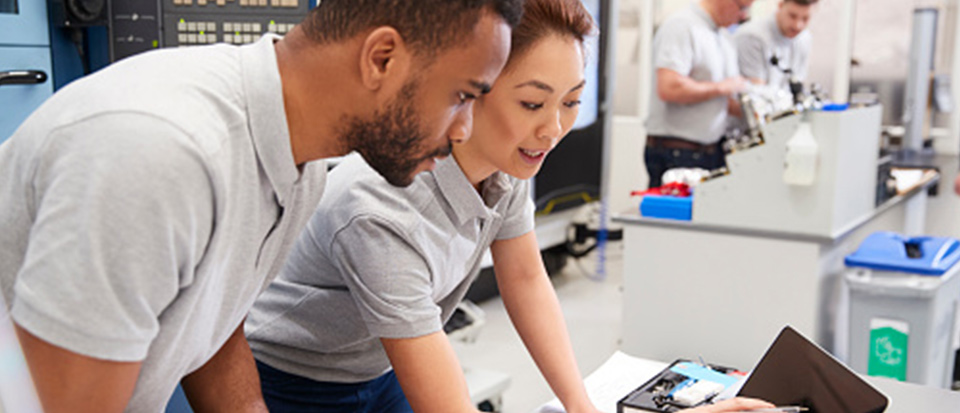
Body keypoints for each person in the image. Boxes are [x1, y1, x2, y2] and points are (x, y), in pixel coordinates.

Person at [244, 1, 775, 412]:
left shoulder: (506, 164)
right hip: (293, 380)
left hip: (376, 368)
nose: (553, 128)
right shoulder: (379, 206)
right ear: (474, 87)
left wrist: (579, 403)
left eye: (570, 102)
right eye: (532, 103)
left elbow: (524, 280)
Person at [0, 0, 521, 411]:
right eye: (461, 96)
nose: (464, 130)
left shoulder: (301, 157)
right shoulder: (164, 156)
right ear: (382, 58)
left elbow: (212, 316)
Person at [644, 0, 753, 188]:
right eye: (742, 7)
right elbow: (669, 87)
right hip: (678, 153)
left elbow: (719, 99)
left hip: (711, 152)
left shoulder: (723, 37)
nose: (744, 16)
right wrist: (722, 87)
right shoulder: (682, 27)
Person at [734, 0, 816, 89]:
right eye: (792, 16)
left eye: (805, 18)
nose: (797, 25)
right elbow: (756, 94)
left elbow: (798, 83)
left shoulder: (804, 38)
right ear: (780, 6)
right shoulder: (752, 36)